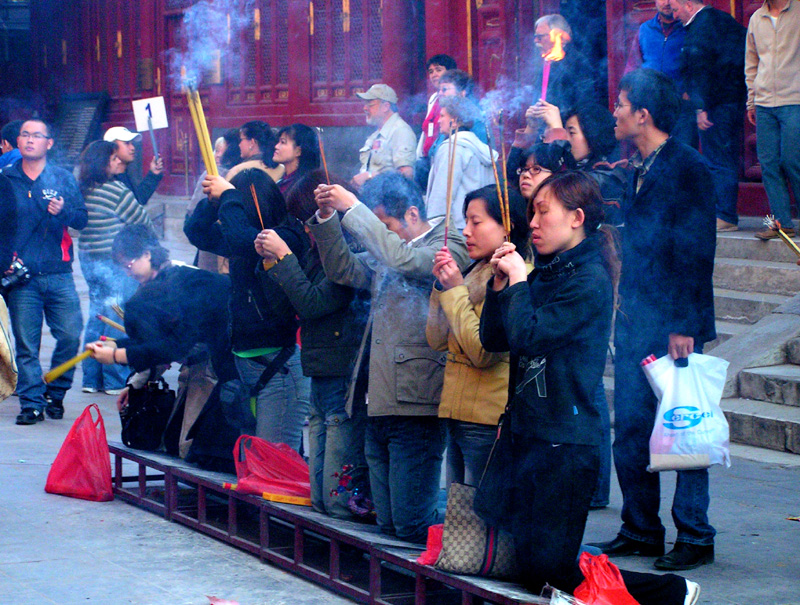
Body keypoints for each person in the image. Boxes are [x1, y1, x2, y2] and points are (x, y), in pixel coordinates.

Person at [480, 169, 699, 605]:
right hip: (527, 430)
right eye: (532, 213)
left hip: (566, 438)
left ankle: (669, 591)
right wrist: (500, 286)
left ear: (577, 217)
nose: (534, 223)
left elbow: (531, 335)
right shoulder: (545, 272)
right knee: (530, 561)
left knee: (553, 565)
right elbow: (495, 340)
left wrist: (519, 281)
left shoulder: (589, 279)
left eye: (544, 213)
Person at [590, 68, 718, 572]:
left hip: (673, 322)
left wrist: (685, 323)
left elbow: (695, 247)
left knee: (682, 427)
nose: (614, 112)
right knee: (634, 430)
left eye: (620, 104)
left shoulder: (687, 166)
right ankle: (641, 528)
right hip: (637, 317)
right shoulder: (636, 165)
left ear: (642, 113)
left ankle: (695, 534)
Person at [309, 172, 470, 544]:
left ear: (412, 214)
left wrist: (354, 209)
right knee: (390, 523)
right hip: (377, 395)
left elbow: (403, 260)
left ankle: (476, 536)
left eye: (386, 225)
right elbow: (343, 268)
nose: (379, 234)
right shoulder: (389, 247)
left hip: (417, 398)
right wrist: (328, 219)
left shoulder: (448, 244)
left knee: (412, 521)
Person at [254, 169, 369, 518]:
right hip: (319, 366)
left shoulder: (348, 255)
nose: (307, 229)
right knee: (319, 491)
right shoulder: (317, 253)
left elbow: (315, 303)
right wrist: (272, 263)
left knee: (335, 487)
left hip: (339, 368)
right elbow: (290, 306)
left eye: (312, 220)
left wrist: (285, 258)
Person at [87, 225, 238, 469]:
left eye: (129, 264)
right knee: (176, 442)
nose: (127, 273)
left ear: (147, 254)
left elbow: (175, 346)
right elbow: (154, 342)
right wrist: (135, 378)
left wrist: (117, 354)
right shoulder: (154, 285)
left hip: (221, 364)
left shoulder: (186, 280)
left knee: (194, 448)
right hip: (198, 364)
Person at [184, 168, 310, 452]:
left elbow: (244, 239)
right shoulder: (240, 234)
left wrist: (228, 196)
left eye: (238, 203)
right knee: (251, 462)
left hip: (279, 370)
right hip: (247, 369)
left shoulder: (287, 236)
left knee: (274, 467)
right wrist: (212, 201)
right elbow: (196, 232)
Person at [426, 184, 529, 486]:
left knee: (478, 514)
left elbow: (483, 351)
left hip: (486, 418)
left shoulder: (517, 275)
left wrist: (456, 289)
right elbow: (435, 339)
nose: (466, 231)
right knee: (459, 515)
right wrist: (442, 288)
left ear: (506, 225)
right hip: (456, 412)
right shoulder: (472, 271)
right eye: (465, 221)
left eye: (477, 221)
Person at [0, 119, 87, 425]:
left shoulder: (62, 178)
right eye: (25, 135)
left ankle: (57, 393)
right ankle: (31, 403)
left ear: (49, 143)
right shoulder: (6, 178)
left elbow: (81, 219)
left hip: (59, 273)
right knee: (27, 344)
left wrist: (63, 210)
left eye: (37, 135)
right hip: (22, 278)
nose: (29, 140)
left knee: (69, 336)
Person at [77, 140, 154, 395]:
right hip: (114, 261)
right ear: (103, 162)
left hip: (89, 259)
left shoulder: (82, 189)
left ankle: (90, 378)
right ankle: (113, 378)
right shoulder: (116, 190)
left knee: (97, 313)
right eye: (113, 159)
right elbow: (141, 221)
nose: (117, 162)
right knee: (116, 314)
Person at [669, 0, 746, 232]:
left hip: (714, 107)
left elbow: (700, 69)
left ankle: (724, 215)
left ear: (689, 7)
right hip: (733, 100)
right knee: (727, 155)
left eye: (675, 9)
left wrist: (701, 107)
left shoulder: (701, 28)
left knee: (717, 158)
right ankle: (724, 212)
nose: (674, 15)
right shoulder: (724, 20)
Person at [746, 0, 800, 241]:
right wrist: (752, 100)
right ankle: (782, 223)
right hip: (765, 103)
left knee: (792, 160)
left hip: (795, 99)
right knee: (768, 164)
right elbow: (752, 62)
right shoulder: (756, 18)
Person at [531, 100, 626, 226]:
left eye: (571, 132)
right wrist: (530, 129)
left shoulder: (605, 177)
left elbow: (561, 187)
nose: (566, 139)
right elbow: (512, 175)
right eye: (564, 133)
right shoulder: (575, 168)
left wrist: (556, 131)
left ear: (593, 135)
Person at [624, 0, 695, 146]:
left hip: (681, 106)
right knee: (653, 152)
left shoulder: (689, 28)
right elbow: (633, 64)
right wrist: (627, 94)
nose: (667, 3)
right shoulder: (645, 29)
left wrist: (691, 91)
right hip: (651, 106)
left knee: (683, 152)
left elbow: (700, 65)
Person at [425, 95, 496, 231]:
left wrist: (433, 229)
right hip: (480, 226)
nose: (438, 121)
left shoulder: (452, 147)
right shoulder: (480, 148)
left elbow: (442, 194)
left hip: (453, 230)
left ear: (455, 121)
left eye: (442, 116)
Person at [187, 128, 242, 273]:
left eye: (220, 151)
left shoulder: (214, 175)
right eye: (215, 150)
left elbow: (192, 212)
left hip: (214, 244)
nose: (216, 155)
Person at [529, 14, 598, 112]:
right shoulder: (546, 63)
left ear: (558, 36)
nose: (536, 41)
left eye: (540, 37)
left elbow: (584, 104)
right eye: (535, 37)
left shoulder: (578, 64)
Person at [353, 84, 416, 188]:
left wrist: (369, 176)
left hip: (390, 201)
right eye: (365, 104)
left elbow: (406, 174)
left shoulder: (401, 131)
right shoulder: (376, 135)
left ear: (386, 106)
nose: (365, 108)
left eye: (370, 104)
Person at [103, 126, 164, 206]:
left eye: (132, 143)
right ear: (112, 148)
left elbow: (138, 201)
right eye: (127, 143)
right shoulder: (107, 182)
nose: (132, 148)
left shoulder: (125, 175)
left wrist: (153, 174)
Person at [273, 124, 321, 196]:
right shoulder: (283, 181)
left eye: (283, 142)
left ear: (298, 151)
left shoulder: (307, 186)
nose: (276, 146)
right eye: (278, 142)